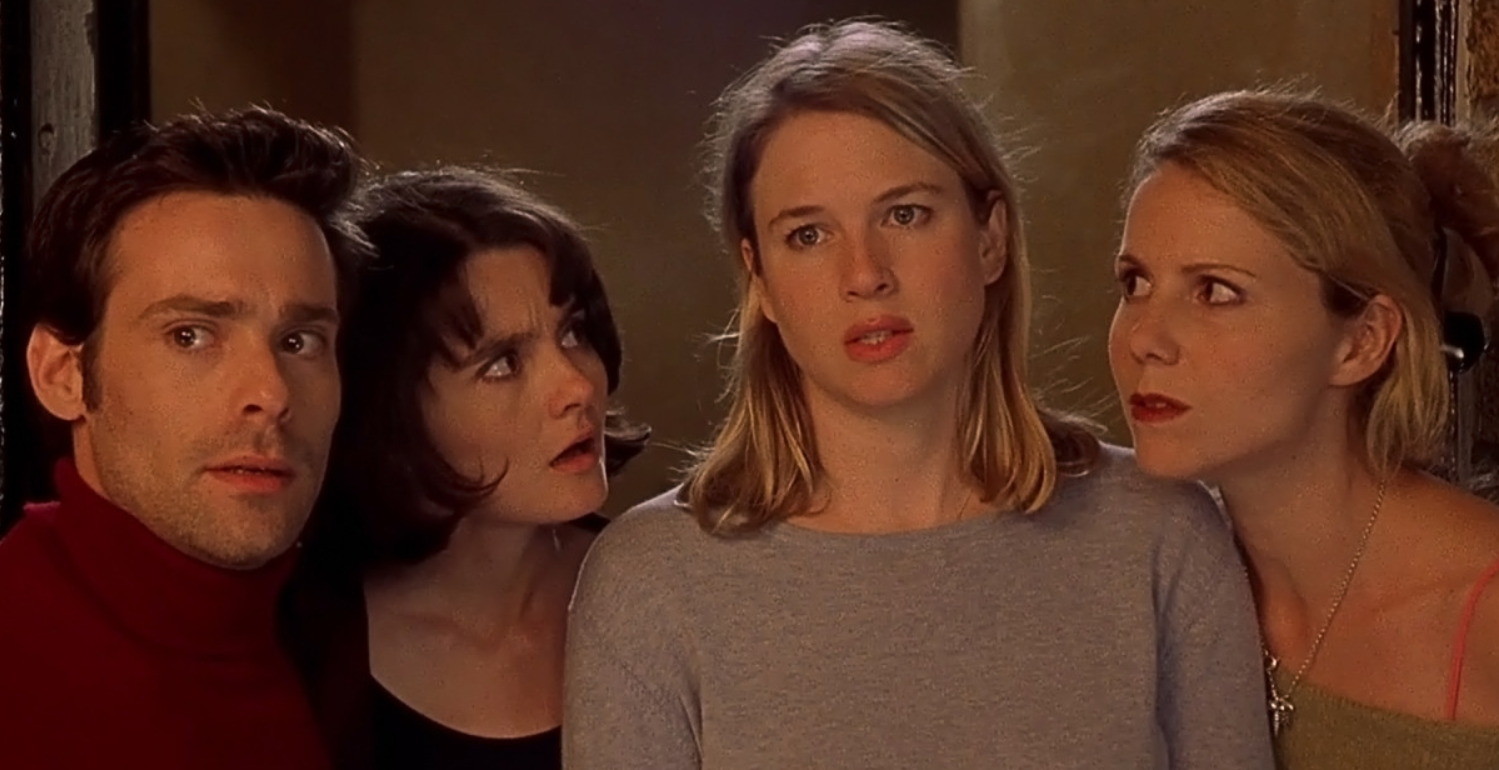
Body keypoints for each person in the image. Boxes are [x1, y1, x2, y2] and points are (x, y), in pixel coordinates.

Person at [564, 19, 1273, 769]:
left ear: (990, 238)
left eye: (904, 215)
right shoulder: (653, 584)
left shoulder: (1159, 537)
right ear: (759, 278)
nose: (865, 274)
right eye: (808, 235)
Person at [1109, 88, 1499, 768]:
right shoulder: (1154, 582)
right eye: (1135, 283)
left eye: (1215, 291)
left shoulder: (1485, 608)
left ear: (1361, 341)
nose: (1145, 337)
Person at [0, 107, 367, 768]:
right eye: (190, 336)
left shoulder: (337, 654)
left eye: (299, 341)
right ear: (63, 374)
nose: (271, 393)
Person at [284, 166, 647, 770]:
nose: (577, 386)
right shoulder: (299, 641)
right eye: (503, 363)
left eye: (573, 333)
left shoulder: (663, 593)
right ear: (395, 411)